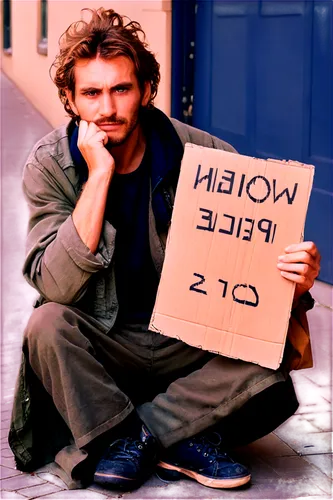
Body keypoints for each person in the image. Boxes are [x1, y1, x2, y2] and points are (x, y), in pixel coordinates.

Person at [9, 7, 321, 492]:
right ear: (70, 100)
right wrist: (98, 176)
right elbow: (54, 284)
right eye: (91, 93)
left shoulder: (207, 157)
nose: (106, 108)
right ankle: (186, 436)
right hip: (106, 345)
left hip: (189, 345)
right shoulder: (51, 165)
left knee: (276, 337)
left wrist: (295, 279)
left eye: (121, 89)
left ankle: (132, 437)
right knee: (46, 324)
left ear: (147, 91)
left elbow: (257, 267)